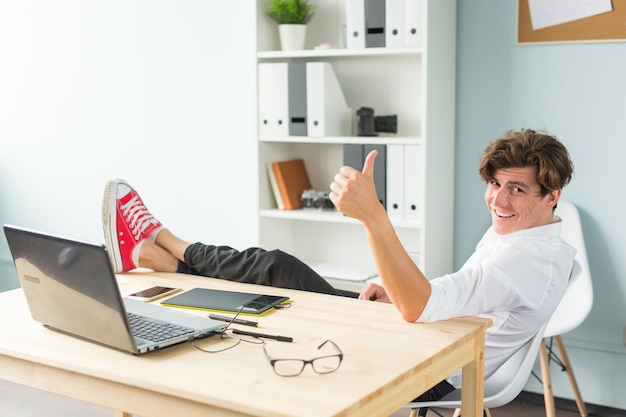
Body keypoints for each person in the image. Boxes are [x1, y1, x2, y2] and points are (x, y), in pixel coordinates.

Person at [102, 128, 575, 402]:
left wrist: (373, 216)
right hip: (429, 335)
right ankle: (156, 256)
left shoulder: (526, 258)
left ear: (551, 195)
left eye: (516, 188)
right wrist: (401, 291)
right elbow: (470, 294)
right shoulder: (532, 234)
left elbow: (422, 306)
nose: (498, 199)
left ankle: (160, 239)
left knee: (277, 274)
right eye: (495, 184)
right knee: (275, 288)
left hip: (428, 368)